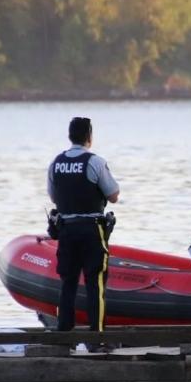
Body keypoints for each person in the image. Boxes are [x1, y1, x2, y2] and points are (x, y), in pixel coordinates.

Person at [47, 117, 120, 351]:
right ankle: (95, 340)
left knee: (67, 282)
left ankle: (64, 338)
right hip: (91, 230)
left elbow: (53, 196)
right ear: (89, 136)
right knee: (95, 284)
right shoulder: (95, 162)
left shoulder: (55, 163)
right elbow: (113, 195)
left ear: (70, 136)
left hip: (66, 230)